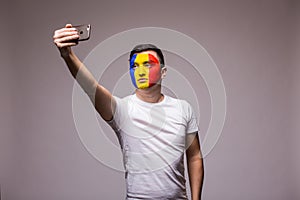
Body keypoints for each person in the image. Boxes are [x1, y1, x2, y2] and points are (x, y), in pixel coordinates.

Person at [53, 24, 204, 200]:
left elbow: (194, 156)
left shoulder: (183, 108)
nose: (140, 71)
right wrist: (68, 55)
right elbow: (90, 86)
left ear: (163, 72)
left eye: (147, 64)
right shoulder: (121, 110)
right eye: (134, 66)